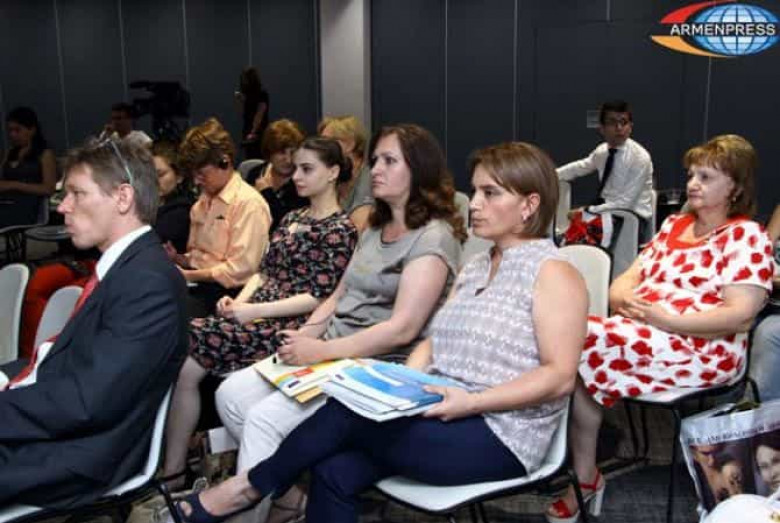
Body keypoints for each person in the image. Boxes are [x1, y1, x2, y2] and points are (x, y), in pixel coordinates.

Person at [169, 140, 588, 523]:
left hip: (501, 432)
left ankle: (247, 488)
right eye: (475, 191)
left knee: (348, 408)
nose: (474, 203)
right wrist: (406, 384)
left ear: (530, 205)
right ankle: (255, 488)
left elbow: (559, 377)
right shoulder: (478, 266)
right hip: (444, 408)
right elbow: (433, 340)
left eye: (490, 193)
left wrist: (471, 402)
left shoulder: (554, 272)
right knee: (333, 469)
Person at [213, 123, 466, 523]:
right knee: (230, 394)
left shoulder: (432, 238)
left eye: (389, 161)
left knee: (262, 420)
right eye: (376, 160)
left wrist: (320, 350)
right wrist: (305, 336)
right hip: (330, 350)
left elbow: (402, 329)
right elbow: (337, 296)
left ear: (418, 169)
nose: (374, 169)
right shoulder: (376, 227)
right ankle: (290, 494)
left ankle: (249, 506)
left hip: (375, 363)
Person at [548, 134, 774, 523]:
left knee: (574, 338)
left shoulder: (747, 236)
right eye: (691, 175)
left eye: (706, 177)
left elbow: (739, 316)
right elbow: (624, 282)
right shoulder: (674, 225)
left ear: (735, 188)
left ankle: (558, 464)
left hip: (704, 350)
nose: (692, 184)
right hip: (641, 337)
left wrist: (663, 319)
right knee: (574, 342)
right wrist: (624, 300)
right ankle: (573, 467)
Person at [0, 139, 187, 508]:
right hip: (56, 431)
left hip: (77, 456)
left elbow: (88, 402)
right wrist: (6, 377)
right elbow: (61, 362)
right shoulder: (126, 269)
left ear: (122, 198)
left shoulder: (148, 283)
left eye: (77, 193)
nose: (62, 206)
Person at [162, 137, 359, 483]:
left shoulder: (340, 229)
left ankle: (175, 468)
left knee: (188, 338)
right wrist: (240, 302)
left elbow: (318, 297)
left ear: (332, 173)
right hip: (258, 312)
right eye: (296, 168)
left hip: (291, 324)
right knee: (186, 359)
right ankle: (175, 466)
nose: (296, 176)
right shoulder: (293, 217)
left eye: (307, 169)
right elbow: (262, 273)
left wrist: (253, 312)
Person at [166, 118, 271, 316]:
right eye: (194, 175)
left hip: (229, 295)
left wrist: (189, 275)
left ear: (224, 161)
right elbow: (200, 257)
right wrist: (179, 259)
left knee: (167, 310)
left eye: (201, 174)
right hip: (200, 285)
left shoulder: (249, 204)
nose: (197, 181)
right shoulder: (202, 203)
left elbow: (241, 269)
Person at [557, 99, 654, 242]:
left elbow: (624, 204)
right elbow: (580, 167)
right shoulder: (602, 151)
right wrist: (550, 175)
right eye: (612, 122)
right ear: (602, 128)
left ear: (630, 127)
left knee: (581, 240)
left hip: (632, 218)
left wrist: (586, 211)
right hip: (605, 211)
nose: (619, 128)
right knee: (568, 238)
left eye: (624, 122)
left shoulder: (640, 158)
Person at [0, 106, 57, 228]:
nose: (12, 134)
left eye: (17, 130)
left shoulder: (45, 154)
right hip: (6, 202)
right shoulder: (10, 152)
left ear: (32, 130)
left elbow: (48, 189)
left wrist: (14, 185)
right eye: (10, 130)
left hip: (26, 207)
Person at [246, 119, 307, 231]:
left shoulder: (303, 181)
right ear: (270, 152)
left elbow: (289, 224)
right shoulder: (255, 173)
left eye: (293, 153)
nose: (288, 160)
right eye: (281, 153)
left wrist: (266, 193)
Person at [318, 116, 373, 232]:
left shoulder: (369, 179)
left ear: (350, 144)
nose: (321, 149)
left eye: (327, 142)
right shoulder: (331, 177)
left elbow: (357, 229)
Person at [749, 207, 780, 401]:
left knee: (768, 333)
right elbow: (764, 251)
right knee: (734, 319)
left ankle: (758, 410)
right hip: (769, 298)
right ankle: (724, 410)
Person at [153, 140, 194, 253]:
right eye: (149, 174)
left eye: (160, 174)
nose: (153, 180)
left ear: (179, 176)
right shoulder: (148, 204)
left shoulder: (183, 211)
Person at [237, 67, 270, 159]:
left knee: (258, 157)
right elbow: (246, 112)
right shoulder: (248, 95)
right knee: (250, 157)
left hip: (258, 132)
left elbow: (260, 114)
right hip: (249, 130)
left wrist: (253, 131)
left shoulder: (262, 94)